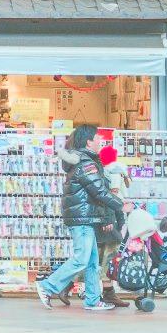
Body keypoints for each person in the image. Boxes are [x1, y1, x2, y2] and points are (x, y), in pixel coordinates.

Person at [37, 126, 121, 312]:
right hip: (82, 218)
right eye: (98, 137)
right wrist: (120, 205)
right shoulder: (86, 164)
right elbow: (99, 191)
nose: (101, 140)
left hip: (87, 217)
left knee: (92, 263)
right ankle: (48, 286)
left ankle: (93, 300)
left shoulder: (85, 161)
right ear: (88, 142)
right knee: (82, 259)